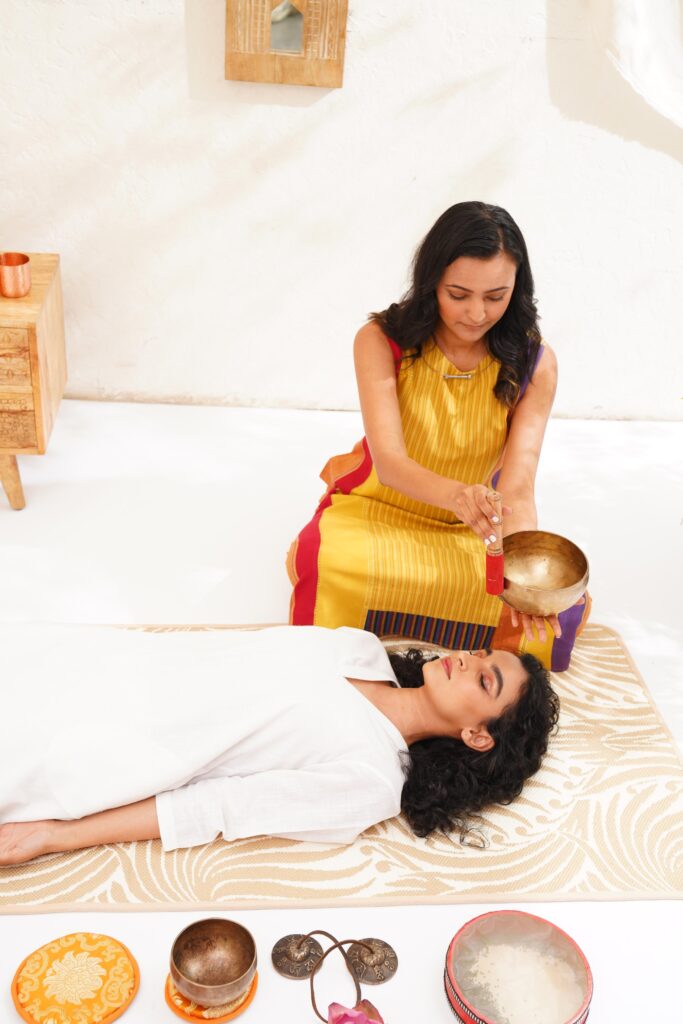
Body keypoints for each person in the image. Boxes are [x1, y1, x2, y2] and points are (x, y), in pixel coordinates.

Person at [287, 201, 589, 672]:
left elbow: (517, 486)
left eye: (496, 296)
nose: (475, 313)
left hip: (472, 530)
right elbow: (389, 462)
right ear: (432, 282)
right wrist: (459, 495)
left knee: (560, 608)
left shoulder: (535, 363)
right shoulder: (380, 340)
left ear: (518, 288)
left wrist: (521, 574)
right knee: (327, 558)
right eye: (458, 293)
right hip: (380, 511)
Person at [0, 622, 558, 865]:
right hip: (107, 662)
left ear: (477, 735)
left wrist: (55, 836)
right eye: (484, 655)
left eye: (486, 680)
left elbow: (213, 808)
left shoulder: (373, 780)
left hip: (104, 744)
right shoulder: (358, 649)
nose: (469, 660)